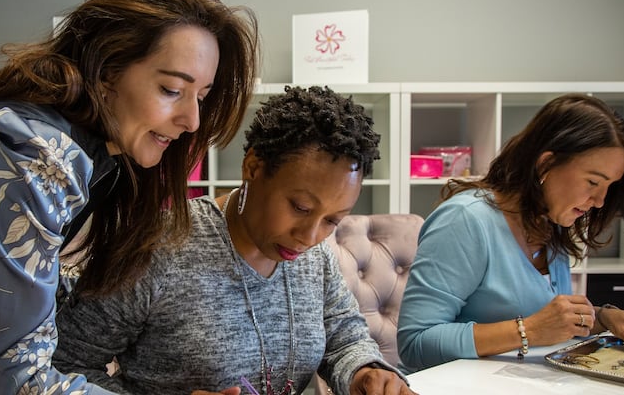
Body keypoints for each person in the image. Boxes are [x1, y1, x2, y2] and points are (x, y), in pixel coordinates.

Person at [0, 0, 258, 394]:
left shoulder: (96, 158)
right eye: (172, 90)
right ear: (107, 68)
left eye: (202, 98)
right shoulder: (32, 152)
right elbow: (22, 380)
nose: (192, 120)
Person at [52, 86, 417, 395]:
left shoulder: (315, 254)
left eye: (332, 220)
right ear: (253, 167)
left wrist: (365, 371)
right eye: (300, 207)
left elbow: (343, 336)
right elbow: (65, 366)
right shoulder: (157, 246)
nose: (309, 237)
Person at [397, 93, 624, 373]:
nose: (600, 201)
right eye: (592, 182)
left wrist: (607, 317)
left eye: (609, 187)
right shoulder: (465, 220)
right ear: (545, 165)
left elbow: (545, 321)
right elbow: (416, 343)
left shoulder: (549, 220)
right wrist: (527, 331)